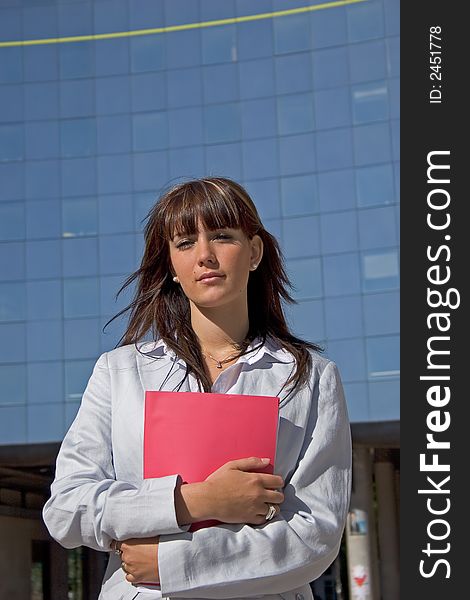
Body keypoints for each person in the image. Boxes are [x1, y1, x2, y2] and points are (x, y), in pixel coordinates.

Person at [43, 176, 352, 600]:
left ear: (255, 252)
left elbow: (316, 535)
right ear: (171, 265)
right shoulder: (119, 372)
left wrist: (175, 562)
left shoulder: (313, 377)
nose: (204, 255)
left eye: (222, 236)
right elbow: (66, 509)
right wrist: (198, 500)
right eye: (185, 243)